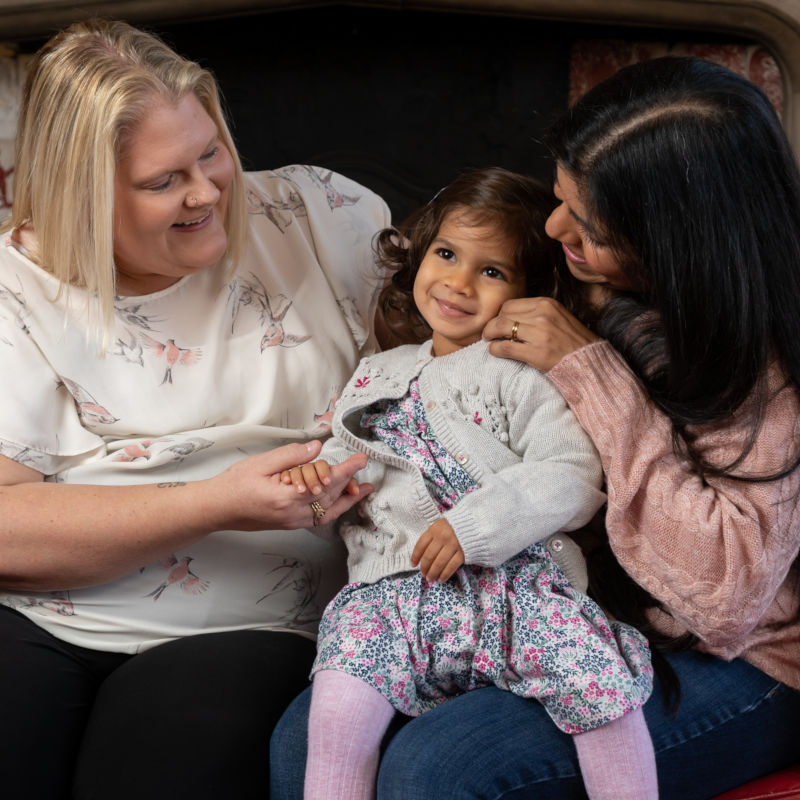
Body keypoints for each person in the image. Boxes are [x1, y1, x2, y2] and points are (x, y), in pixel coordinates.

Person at [271, 57, 800, 799]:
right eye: (560, 199)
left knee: (436, 769)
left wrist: (594, 372)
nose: (554, 230)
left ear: (677, 240)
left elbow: (723, 600)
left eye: (587, 224)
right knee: (306, 740)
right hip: (550, 604)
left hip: (741, 659)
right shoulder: (577, 283)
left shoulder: (758, 367)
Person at [0, 18, 393, 800]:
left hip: (251, 618)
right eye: (162, 181)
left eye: (210, 152)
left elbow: (450, 356)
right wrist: (217, 503)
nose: (207, 192)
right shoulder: (17, 285)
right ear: (81, 189)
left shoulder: (319, 216)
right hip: (42, 612)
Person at [280, 167, 657, 800]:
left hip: (515, 589)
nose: (457, 283)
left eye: (492, 271)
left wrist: (474, 526)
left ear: (531, 289)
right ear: (420, 254)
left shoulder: (521, 372)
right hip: (393, 597)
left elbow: (572, 472)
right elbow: (351, 467)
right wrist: (318, 481)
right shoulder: (377, 372)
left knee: (602, 693)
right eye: (447, 254)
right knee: (337, 713)